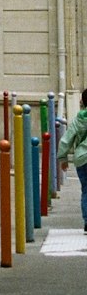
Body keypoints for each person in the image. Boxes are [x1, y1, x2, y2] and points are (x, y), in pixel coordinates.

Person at [57, 86, 87, 231]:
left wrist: (63, 159)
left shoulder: (79, 119)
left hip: (82, 158)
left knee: (86, 190)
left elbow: (66, 140)